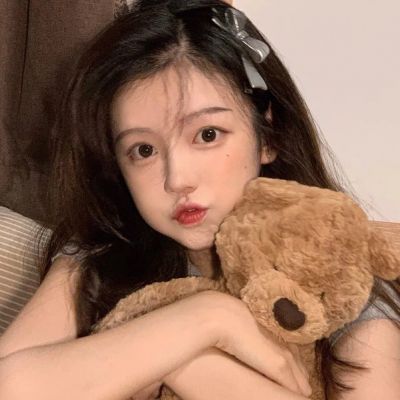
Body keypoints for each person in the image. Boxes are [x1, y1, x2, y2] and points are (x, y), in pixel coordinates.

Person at [0, 1, 399, 399]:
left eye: (207, 134)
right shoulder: (100, 257)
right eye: (143, 150)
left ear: (268, 136)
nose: (178, 179)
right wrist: (208, 318)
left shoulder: (337, 282)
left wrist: (189, 365)